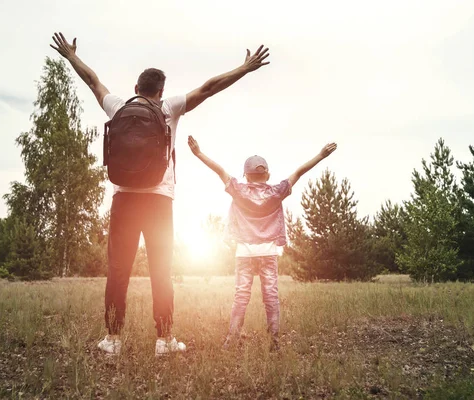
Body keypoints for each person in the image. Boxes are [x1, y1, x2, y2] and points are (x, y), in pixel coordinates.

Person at [50, 32, 270, 356]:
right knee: (161, 270)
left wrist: (70, 56)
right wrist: (244, 68)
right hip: (159, 200)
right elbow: (209, 88)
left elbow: (93, 81)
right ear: (161, 91)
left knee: (118, 269)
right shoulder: (169, 107)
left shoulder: (118, 106)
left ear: (136, 89)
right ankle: (164, 340)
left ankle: (112, 340)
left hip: (123, 198)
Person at [187, 135, 337, 351]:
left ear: (246, 176)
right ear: (267, 174)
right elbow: (298, 172)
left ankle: (231, 339)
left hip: (244, 253)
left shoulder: (239, 190)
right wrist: (321, 155)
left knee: (241, 296)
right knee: (271, 296)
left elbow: (219, 170)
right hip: (268, 253)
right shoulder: (276, 192)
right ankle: (274, 342)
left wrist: (199, 153)